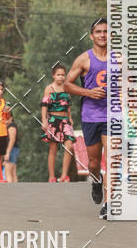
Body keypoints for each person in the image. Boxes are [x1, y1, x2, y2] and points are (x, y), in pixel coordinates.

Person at [64, 18, 108, 217]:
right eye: (98, 32)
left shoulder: (120, 59)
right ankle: (96, 181)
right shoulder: (84, 59)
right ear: (92, 36)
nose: (102, 35)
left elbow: (130, 83)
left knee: (114, 159)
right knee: (94, 162)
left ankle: (109, 203)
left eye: (106, 31)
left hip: (112, 116)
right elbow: (67, 85)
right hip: (91, 115)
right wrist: (89, 93)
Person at [41, 63, 75, 183]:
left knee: (69, 145)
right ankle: (51, 176)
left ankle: (64, 175)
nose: (61, 77)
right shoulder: (49, 89)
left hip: (65, 121)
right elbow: (44, 106)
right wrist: (44, 121)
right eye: (58, 75)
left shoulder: (67, 88)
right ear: (53, 76)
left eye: (63, 75)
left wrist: (70, 118)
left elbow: (68, 105)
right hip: (53, 120)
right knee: (53, 148)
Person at [3, 114, 19, 183]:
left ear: (11, 118)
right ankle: (16, 191)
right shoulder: (9, 126)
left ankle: (10, 191)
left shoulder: (12, 126)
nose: (5, 120)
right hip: (13, 150)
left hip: (12, 150)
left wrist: (8, 152)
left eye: (7, 118)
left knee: (8, 172)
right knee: (13, 173)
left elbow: (12, 139)